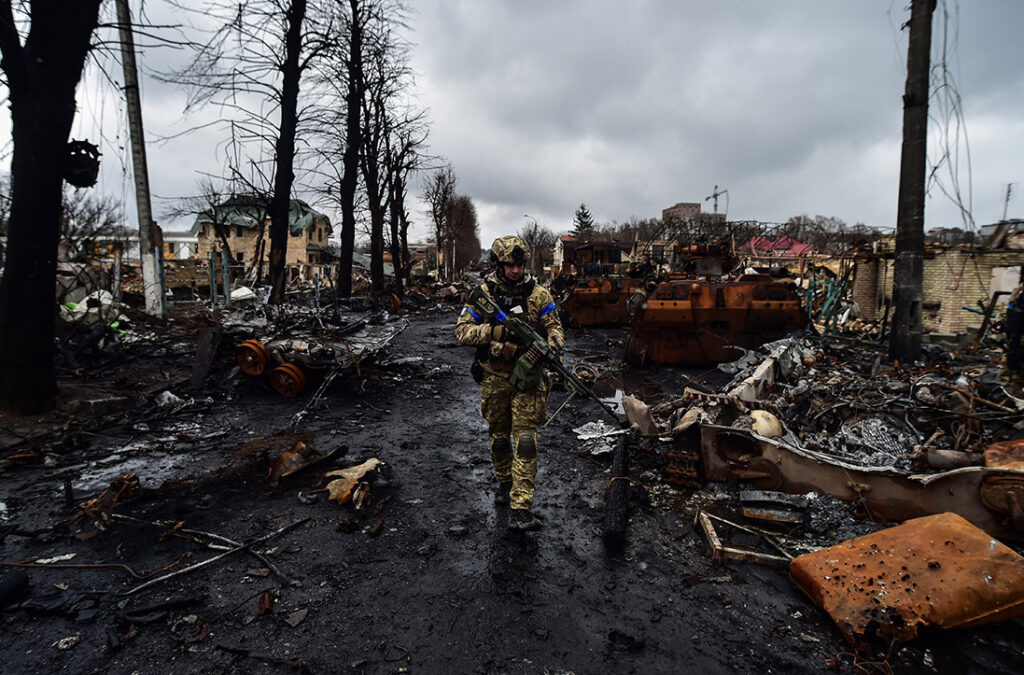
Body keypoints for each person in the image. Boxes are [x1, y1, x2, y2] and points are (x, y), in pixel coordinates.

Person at [455, 235, 565, 531]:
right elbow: (462, 331)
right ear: (498, 264)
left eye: (520, 264)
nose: (516, 270)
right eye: (509, 265)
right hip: (495, 377)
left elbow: (555, 328)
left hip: (528, 379)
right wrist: (496, 334)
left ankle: (521, 507)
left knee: (526, 440)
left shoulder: (539, 295)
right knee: (500, 437)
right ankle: (505, 483)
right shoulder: (484, 293)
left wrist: (550, 347)